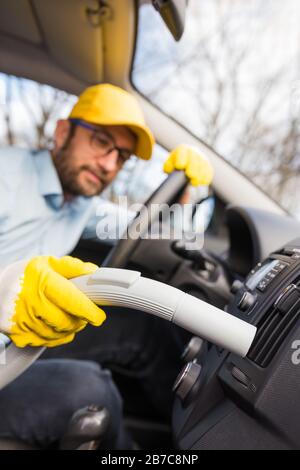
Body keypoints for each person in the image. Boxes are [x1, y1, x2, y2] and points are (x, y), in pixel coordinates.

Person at [0, 84, 214, 442]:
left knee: (139, 325)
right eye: (101, 142)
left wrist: (189, 195)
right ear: (63, 131)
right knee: (93, 392)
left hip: (19, 338)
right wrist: (4, 292)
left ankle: (201, 429)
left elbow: (147, 231)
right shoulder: (6, 175)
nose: (109, 164)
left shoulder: (79, 205)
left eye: (122, 156)